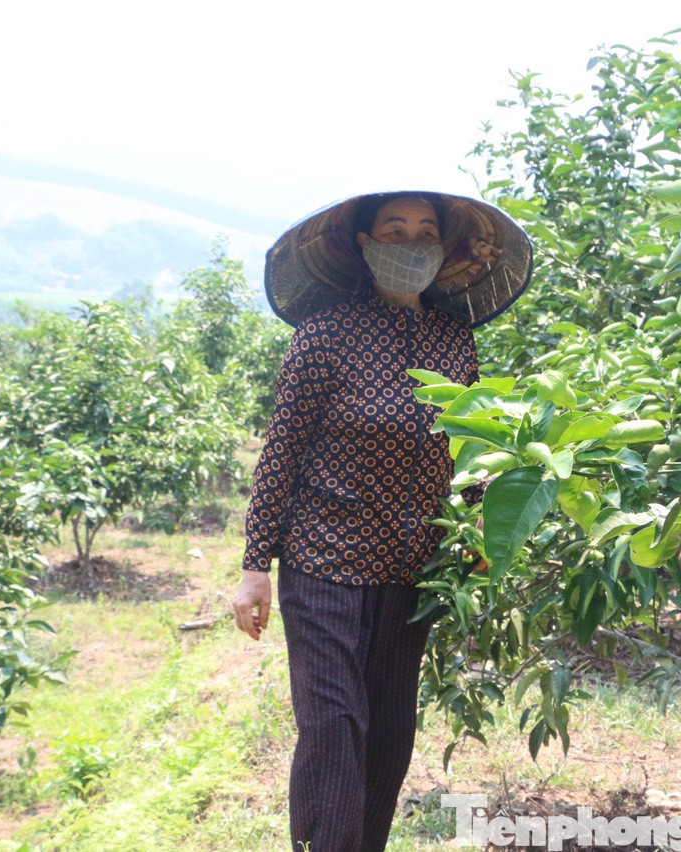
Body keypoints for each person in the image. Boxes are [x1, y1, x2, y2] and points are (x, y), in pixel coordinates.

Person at [231, 189, 532, 850]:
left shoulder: (456, 344)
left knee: (391, 730)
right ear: (364, 245)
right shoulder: (324, 337)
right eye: (394, 229)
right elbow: (279, 452)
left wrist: (482, 548)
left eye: (425, 230)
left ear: (443, 247)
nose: (412, 243)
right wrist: (256, 568)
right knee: (334, 726)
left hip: (412, 570)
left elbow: (470, 453)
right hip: (324, 564)